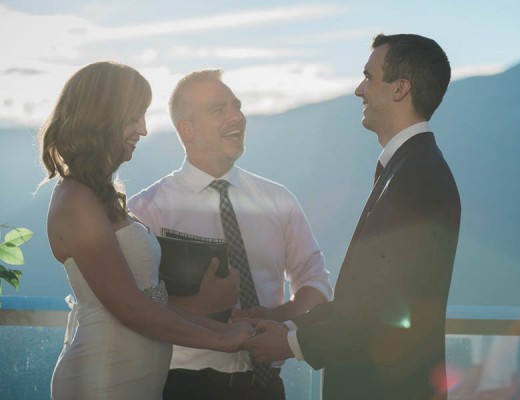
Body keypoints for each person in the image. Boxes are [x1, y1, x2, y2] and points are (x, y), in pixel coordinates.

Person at [245, 33, 461, 400]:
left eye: (369, 77)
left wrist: (292, 345)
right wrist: (284, 324)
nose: (359, 90)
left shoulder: (415, 177)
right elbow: (362, 298)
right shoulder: (408, 168)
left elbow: (381, 307)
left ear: (400, 89)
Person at [39, 61, 254, 400]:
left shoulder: (100, 196)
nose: (143, 129)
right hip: (104, 381)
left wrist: (229, 329)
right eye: (133, 117)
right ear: (101, 117)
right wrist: (221, 341)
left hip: (132, 380)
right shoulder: (76, 200)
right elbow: (130, 309)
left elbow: (152, 300)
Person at [127, 69, 333, 400]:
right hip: (182, 386)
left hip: (266, 386)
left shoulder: (278, 200)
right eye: (218, 110)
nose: (236, 116)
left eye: (236, 106)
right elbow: (135, 304)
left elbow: (316, 284)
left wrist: (274, 317)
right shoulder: (147, 210)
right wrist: (199, 305)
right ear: (187, 129)